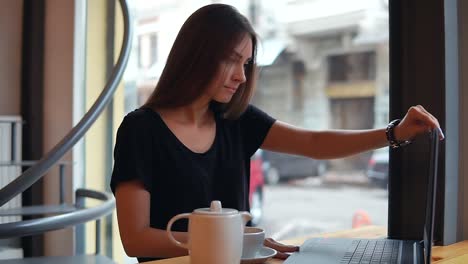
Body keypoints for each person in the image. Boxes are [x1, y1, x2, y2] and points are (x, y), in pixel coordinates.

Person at [110, 3, 444, 262]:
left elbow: (314, 143)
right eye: (232, 60)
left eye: (247, 64)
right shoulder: (141, 130)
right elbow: (136, 239)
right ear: (196, 55)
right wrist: (234, 241)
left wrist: (394, 133)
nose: (241, 76)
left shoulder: (235, 119)